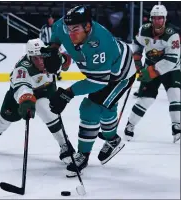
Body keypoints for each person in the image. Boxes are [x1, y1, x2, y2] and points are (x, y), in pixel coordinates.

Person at [46, 5, 136, 177]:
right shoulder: (63, 26)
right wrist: (53, 48)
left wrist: (67, 94)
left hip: (120, 75)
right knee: (106, 106)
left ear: (88, 27)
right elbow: (57, 32)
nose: (71, 34)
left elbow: (97, 82)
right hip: (101, 73)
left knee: (90, 108)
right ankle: (112, 139)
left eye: (76, 30)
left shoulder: (101, 42)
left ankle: (83, 155)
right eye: (69, 29)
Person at [0, 38, 75, 164]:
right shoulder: (22, 69)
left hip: (46, 90)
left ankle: (65, 144)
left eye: (41, 56)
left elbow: (66, 60)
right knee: (4, 119)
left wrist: (62, 62)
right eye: (35, 58)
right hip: (20, 94)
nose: (40, 61)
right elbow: (22, 88)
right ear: (29, 56)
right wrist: (26, 100)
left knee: (47, 110)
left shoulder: (50, 57)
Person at [124, 5, 181, 143]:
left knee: (175, 95)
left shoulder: (172, 35)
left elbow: (171, 60)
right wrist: (137, 58)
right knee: (145, 99)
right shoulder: (144, 30)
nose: (158, 21)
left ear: (165, 19)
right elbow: (137, 43)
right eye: (155, 18)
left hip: (172, 69)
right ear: (151, 19)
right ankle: (130, 125)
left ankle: (177, 127)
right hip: (150, 65)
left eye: (160, 18)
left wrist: (150, 72)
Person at [39, 15, 62, 81]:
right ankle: (47, 74)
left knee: (57, 59)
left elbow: (59, 36)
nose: (50, 20)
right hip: (46, 45)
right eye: (49, 19)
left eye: (51, 19)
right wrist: (42, 45)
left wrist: (59, 45)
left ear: (53, 20)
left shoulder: (56, 27)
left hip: (55, 45)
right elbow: (41, 36)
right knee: (46, 60)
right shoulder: (44, 27)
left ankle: (58, 74)